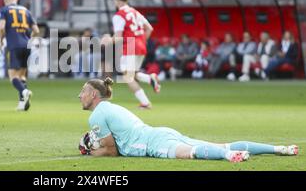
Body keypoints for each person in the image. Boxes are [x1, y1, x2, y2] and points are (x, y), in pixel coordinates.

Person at [78, 77, 299, 161]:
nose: (80, 95)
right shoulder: (111, 107)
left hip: (153, 142)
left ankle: (230, 155)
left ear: (94, 95)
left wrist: (89, 152)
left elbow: (111, 151)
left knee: (189, 155)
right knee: (221, 144)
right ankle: (280, 148)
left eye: (83, 91)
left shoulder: (98, 114)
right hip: (161, 132)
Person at [110, 0, 160, 109]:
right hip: (141, 45)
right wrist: (142, 41)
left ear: (117, 1)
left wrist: (107, 41)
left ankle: (145, 103)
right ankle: (150, 78)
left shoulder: (119, 15)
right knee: (134, 73)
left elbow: (118, 37)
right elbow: (149, 29)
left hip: (130, 46)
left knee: (128, 77)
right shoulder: (135, 12)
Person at [0, 0, 40, 111]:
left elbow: (1, 28)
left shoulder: (4, 10)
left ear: (5, 0)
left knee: (13, 76)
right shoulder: (26, 10)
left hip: (13, 45)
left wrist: (1, 40)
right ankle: (22, 103)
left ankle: (24, 91)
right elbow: (36, 30)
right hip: (26, 45)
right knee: (22, 75)